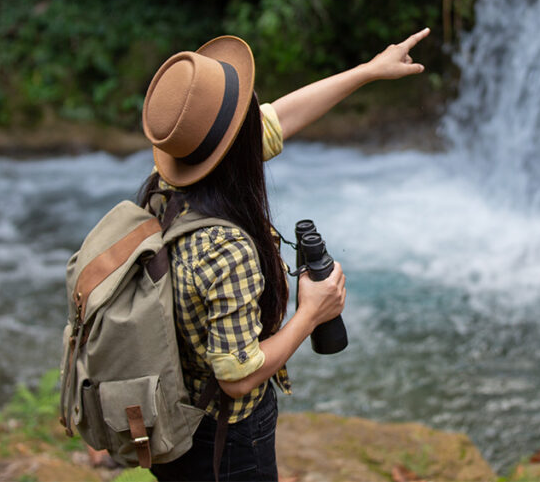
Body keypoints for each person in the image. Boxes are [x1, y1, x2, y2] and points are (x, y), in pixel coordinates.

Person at [136, 28, 430, 481]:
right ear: (237, 150)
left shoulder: (165, 190)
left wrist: (369, 71)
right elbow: (236, 375)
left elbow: (280, 118)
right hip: (226, 440)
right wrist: (310, 314)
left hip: (177, 416)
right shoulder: (226, 249)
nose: (257, 116)